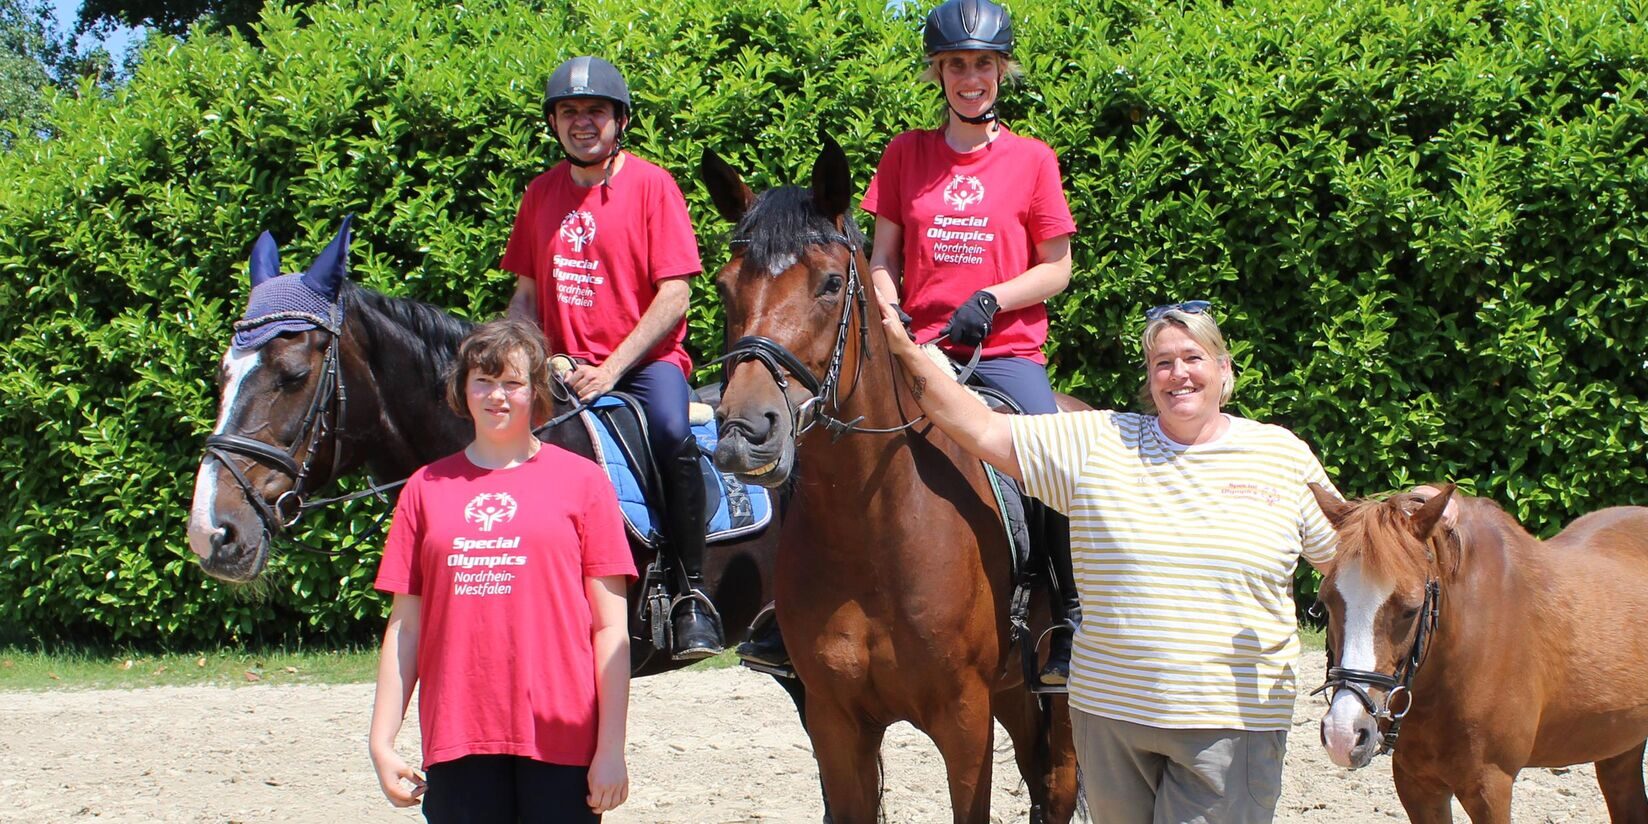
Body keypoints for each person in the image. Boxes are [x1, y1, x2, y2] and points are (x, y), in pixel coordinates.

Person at [878, 299, 1339, 823]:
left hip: (1230, 721)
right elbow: (982, 430)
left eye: (1193, 357)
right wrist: (905, 352)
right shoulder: (1098, 440)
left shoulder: (1281, 455)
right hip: (1111, 719)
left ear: (1224, 369)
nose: (1178, 374)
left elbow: (1346, 564)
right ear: (1149, 376)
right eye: (1162, 362)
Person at [859, 0, 1080, 684]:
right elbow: (881, 258)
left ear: (1001, 71)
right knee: (839, 434)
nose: (970, 77)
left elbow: (1058, 266)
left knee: (1048, 447)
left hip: (1006, 353)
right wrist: (898, 330)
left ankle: (1065, 613)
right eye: (956, 64)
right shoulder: (905, 154)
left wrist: (991, 299)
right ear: (939, 74)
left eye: (983, 63)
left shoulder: (1032, 160)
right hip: (922, 349)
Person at [368, 319, 635, 822]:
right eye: (483, 381)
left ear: (535, 391)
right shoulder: (425, 488)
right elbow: (405, 628)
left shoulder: (583, 483)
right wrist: (381, 739)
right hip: (457, 737)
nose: (497, 396)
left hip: (563, 737)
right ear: (462, 391)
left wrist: (611, 747)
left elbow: (609, 627)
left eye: (512, 382)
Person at [501, 55, 722, 659]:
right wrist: (533, 358)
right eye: (568, 111)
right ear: (552, 122)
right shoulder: (540, 194)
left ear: (620, 119)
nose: (581, 122)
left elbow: (676, 293)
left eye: (594, 110)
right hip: (559, 367)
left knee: (674, 433)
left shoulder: (654, 186)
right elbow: (524, 295)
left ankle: (691, 592)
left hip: (647, 365)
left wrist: (613, 368)